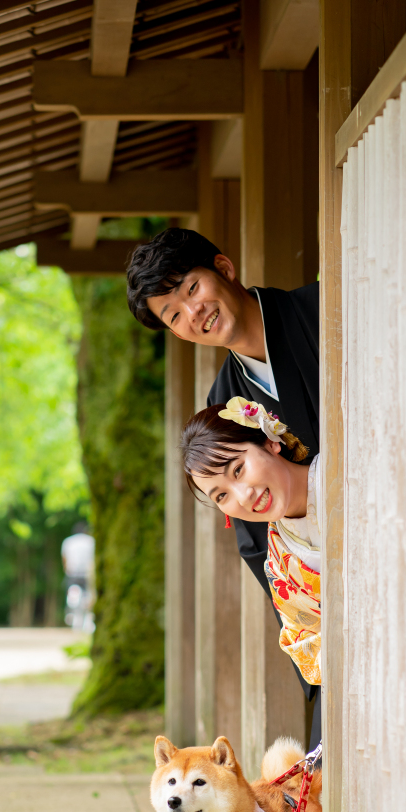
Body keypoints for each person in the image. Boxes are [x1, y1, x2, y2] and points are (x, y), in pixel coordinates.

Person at [127, 227, 321, 739]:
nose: (192, 313)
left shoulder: (325, 309)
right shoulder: (225, 402)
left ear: (224, 268)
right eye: (173, 315)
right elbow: (257, 542)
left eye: (191, 288)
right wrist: (308, 623)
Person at [180, 398, 322, 693]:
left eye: (238, 470)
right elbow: (308, 652)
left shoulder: (350, 477)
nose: (243, 497)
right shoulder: (278, 561)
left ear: (270, 441)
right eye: (221, 496)